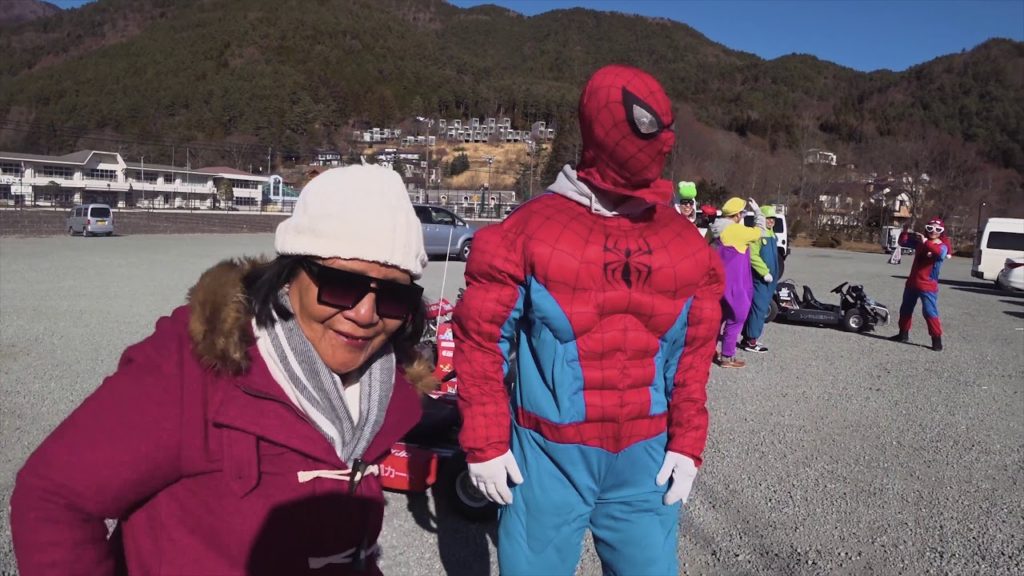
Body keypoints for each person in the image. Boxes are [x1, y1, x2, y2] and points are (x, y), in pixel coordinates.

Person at [11, 164, 436, 575]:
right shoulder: (196, 368)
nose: (365, 314)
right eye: (342, 284)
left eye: (393, 297)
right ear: (290, 273)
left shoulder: (386, 387)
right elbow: (53, 497)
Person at [452, 64, 724, 576]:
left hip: (645, 457)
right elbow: (480, 340)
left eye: (664, 127)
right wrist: (486, 443)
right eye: (647, 125)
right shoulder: (527, 232)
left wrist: (688, 441)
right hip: (548, 454)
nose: (660, 141)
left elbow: (693, 357)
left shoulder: (686, 246)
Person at [706, 196, 765, 368]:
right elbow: (759, 232)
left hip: (717, 282)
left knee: (717, 318)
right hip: (735, 284)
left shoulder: (713, 229)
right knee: (737, 318)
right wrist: (758, 213)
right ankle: (727, 357)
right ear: (737, 215)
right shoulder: (736, 231)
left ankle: (708, 351)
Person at [889, 217, 950, 351]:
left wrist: (925, 242)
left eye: (937, 229)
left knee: (929, 312)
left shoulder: (942, 246)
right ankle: (903, 334)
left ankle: (936, 340)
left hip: (928, 285)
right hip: (912, 283)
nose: (933, 231)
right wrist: (905, 231)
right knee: (905, 309)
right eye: (930, 228)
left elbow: (940, 254)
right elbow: (903, 242)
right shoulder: (920, 243)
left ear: (941, 231)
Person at [740, 204, 781, 353]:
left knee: (759, 307)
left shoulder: (771, 234)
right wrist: (764, 272)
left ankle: (748, 337)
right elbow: (753, 255)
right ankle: (751, 341)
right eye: (768, 219)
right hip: (761, 279)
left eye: (773, 219)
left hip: (770, 280)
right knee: (759, 308)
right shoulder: (758, 235)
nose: (770, 222)